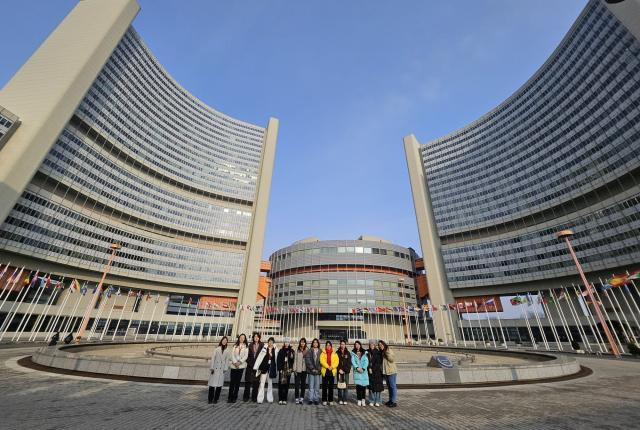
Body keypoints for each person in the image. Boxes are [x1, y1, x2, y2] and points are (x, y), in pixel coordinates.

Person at [254, 336, 278, 404]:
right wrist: (257, 367)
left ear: (273, 343)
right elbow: (260, 357)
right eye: (269, 342)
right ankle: (260, 399)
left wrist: (272, 355)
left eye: (272, 342)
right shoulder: (264, 348)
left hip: (271, 368)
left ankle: (270, 398)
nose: (270, 343)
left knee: (270, 384)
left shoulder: (275, 349)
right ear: (268, 342)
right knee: (262, 383)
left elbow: (276, 358)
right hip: (264, 368)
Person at [208, 336, 230, 404]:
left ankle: (216, 399)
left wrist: (225, 368)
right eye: (223, 340)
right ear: (221, 341)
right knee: (212, 385)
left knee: (219, 386)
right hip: (215, 368)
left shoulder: (227, 350)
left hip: (221, 370)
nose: (224, 341)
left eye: (226, 340)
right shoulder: (217, 349)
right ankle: (210, 399)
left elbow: (227, 360)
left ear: (227, 342)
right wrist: (212, 367)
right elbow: (213, 358)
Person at [227, 333, 248, 403]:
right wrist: (235, 362)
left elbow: (246, 356)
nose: (242, 339)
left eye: (243, 338)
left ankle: (235, 397)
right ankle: (230, 397)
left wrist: (240, 362)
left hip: (241, 366)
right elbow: (232, 354)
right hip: (233, 366)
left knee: (237, 383)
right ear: (239, 338)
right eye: (241, 337)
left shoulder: (246, 347)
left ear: (245, 339)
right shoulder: (235, 346)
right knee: (232, 382)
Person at [244, 333, 263, 402]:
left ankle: (254, 397)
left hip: (258, 367)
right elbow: (247, 356)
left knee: (256, 382)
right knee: (248, 382)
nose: (256, 338)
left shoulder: (262, 345)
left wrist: (259, 365)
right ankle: (246, 397)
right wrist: (250, 363)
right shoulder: (250, 345)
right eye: (255, 336)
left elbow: (263, 356)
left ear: (259, 338)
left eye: (257, 337)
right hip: (250, 366)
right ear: (253, 338)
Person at [379, 340, 398, 408]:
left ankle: (394, 401)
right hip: (386, 372)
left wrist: (386, 353)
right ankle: (390, 400)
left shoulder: (388, 350)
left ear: (384, 344)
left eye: (381, 345)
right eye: (379, 345)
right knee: (389, 387)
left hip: (391, 371)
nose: (380, 346)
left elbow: (392, 359)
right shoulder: (382, 352)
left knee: (393, 386)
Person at [320, 340, 338, 405]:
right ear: (325, 346)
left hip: (332, 371)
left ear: (331, 346)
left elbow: (337, 362)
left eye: (329, 345)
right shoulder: (323, 353)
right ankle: (324, 400)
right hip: (325, 371)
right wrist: (328, 366)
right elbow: (322, 361)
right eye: (327, 345)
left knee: (331, 387)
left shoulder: (334, 353)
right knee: (324, 386)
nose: (328, 346)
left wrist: (332, 367)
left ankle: (330, 400)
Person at [350, 341, 369, 406]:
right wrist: (357, 368)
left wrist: (363, 368)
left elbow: (366, 361)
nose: (357, 346)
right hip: (357, 371)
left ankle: (363, 400)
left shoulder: (364, 352)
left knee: (363, 387)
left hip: (363, 372)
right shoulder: (353, 353)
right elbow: (353, 361)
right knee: (358, 387)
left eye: (358, 344)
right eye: (356, 345)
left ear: (360, 345)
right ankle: (359, 399)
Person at [277, 338, 295, 404]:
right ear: (284, 343)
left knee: (286, 385)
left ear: (289, 343)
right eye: (285, 342)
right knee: (281, 385)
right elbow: (278, 360)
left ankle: (285, 399)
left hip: (288, 370)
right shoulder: (281, 351)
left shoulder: (292, 351)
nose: (287, 343)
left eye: (288, 342)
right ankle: (280, 398)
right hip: (282, 370)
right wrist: (280, 369)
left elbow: (293, 361)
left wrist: (292, 357)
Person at [366, 339, 384, 407]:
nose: (371, 345)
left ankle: (378, 401)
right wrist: (368, 368)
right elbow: (365, 361)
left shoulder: (378, 352)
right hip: (370, 372)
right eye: (370, 344)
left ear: (375, 345)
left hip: (377, 372)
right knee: (371, 387)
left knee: (378, 387)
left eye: (373, 344)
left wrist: (372, 369)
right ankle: (371, 400)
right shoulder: (367, 352)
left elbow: (378, 363)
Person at [305, 338, 322, 405]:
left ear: (318, 344)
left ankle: (316, 399)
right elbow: (307, 360)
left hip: (317, 371)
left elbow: (322, 361)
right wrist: (312, 368)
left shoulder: (320, 351)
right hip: (311, 371)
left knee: (317, 386)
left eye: (316, 342)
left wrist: (318, 369)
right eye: (314, 342)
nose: (315, 343)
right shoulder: (309, 351)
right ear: (312, 343)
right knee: (311, 386)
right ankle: (310, 399)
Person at [336, 339, 352, 405]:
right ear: (340, 345)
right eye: (341, 344)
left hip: (346, 372)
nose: (342, 345)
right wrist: (339, 369)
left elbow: (349, 363)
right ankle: (340, 399)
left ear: (345, 345)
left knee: (346, 385)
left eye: (343, 344)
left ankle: (345, 399)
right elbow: (336, 362)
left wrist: (344, 370)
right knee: (339, 385)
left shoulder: (348, 353)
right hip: (339, 371)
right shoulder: (337, 352)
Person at [293, 337, 307, 404]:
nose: (302, 343)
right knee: (296, 384)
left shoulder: (307, 350)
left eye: (304, 342)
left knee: (303, 385)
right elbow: (295, 360)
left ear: (305, 343)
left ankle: (301, 397)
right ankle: (296, 397)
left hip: (304, 370)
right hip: (297, 370)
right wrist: (294, 369)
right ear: (300, 343)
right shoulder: (297, 350)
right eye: (301, 342)